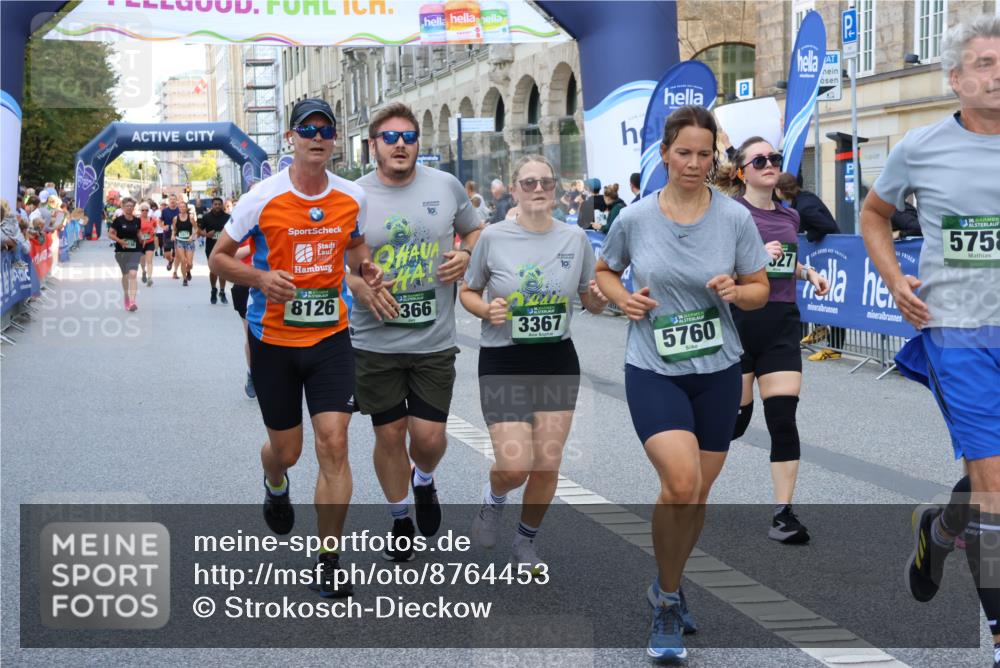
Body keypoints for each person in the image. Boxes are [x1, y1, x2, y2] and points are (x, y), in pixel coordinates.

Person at [595, 105, 770, 661]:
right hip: (654, 367)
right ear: (665, 154)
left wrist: (737, 293)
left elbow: (759, 287)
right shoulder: (637, 218)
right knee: (679, 483)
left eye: (704, 153)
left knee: (697, 495)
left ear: (715, 157)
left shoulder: (736, 218)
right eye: (683, 152)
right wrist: (623, 298)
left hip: (718, 369)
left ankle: (666, 580)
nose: (694, 163)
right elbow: (605, 270)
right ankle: (667, 601)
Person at [859, 15, 1000, 666]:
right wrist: (893, 280)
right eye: (983, 61)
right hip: (957, 332)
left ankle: (940, 529)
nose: (996, 72)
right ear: (955, 79)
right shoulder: (919, 147)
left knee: (986, 481)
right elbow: (873, 214)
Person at [208, 97, 384, 598]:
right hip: (274, 343)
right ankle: (274, 481)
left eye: (325, 128)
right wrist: (261, 277)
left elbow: (354, 247)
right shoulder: (261, 198)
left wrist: (365, 268)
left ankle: (329, 559)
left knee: (335, 442)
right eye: (307, 127)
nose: (317, 135)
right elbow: (220, 259)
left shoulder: (352, 196)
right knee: (287, 451)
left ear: (333, 138)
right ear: (291, 138)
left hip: (331, 338)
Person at [462, 154, 607, 572]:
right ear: (514, 188)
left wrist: (596, 300)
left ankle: (525, 544)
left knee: (546, 463)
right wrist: (484, 311)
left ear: (557, 187)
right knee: (514, 465)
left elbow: (589, 298)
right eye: (529, 183)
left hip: (556, 360)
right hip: (504, 360)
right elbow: (468, 292)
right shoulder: (492, 237)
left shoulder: (574, 238)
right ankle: (494, 498)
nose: (538, 189)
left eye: (546, 181)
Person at [352, 102, 482, 561]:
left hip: (433, 341)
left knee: (427, 439)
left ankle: (423, 478)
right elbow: (334, 264)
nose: (401, 144)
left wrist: (466, 255)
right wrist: (356, 284)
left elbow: (476, 231)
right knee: (389, 436)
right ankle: (399, 516)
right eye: (390, 138)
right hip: (374, 341)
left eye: (408, 136)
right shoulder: (354, 197)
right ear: (374, 147)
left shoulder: (445, 186)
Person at [715, 136, 830, 544]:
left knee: (783, 419)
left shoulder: (790, 216)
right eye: (759, 159)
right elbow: (715, 266)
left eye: (774, 158)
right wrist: (756, 255)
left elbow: (786, 261)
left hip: (782, 322)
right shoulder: (729, 213)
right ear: (741, 170)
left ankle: (784, 515)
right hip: (739, 322)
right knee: (736, 421)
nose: (769, 163)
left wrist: (808, 274)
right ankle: (688, 471)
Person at [774, 173, 845, 360]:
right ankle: (821, 328)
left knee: (833, 299)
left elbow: (827, 226)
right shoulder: (802, 200)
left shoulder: (804, 206)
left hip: (832, 254)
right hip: (823, 254)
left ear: (780, 191)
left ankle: (835, 348)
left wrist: (810, 236)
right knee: (819, 297)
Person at [107, 197, 142, 311]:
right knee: (126, 275)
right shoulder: (118, 220)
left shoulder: (137, 220)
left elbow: (138, 233)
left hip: (135, 250)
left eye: (131, 206)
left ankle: (132, 301)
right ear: (123, 207)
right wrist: (120, 241)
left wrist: (143, 239)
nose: (129, 208)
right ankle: (126, 295)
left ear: (133, 208)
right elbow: (110, 234)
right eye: (127, 206)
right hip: (121, 252)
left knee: (133, 274)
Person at [199, 196, 231, 304]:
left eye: (219, 204)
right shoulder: (206, 217)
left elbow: (234, 231)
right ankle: (213, 289)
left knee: (222, 270)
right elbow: (199, 231)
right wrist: (206, 234)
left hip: (224, 247)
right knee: (213, 270)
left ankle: (222, 291)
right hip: (211, 247)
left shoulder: (228, 217)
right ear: (212, 205)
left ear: (222, 205)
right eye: (215, 204)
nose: (217, 206)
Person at [172, 205, 197, 287]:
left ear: (186, 208)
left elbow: (196, 228)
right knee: (183, 260)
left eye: (183, 207)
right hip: (180, 241)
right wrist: (173, 235)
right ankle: (185, 279)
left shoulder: (190, 217)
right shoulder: (176, 218)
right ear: (179, 208)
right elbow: (174, 229)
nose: (182, 208)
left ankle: (188, 270)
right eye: (180, 207)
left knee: (189, 263)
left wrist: (192, 236)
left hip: (189, 242)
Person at [160, 193, 180, 277]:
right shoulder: (165, 211)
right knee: (167, 254)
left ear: (176, 200)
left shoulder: (180, 210)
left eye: (174, 199)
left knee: (177, 254)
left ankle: (175, 272)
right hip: (167, 234)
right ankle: (170, 260)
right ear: (169, 201)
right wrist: (163, 226)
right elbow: (160, 221)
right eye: (171, 199)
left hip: (178, 234)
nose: (172, 201)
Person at [138, 202, 156, 286]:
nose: (145, 211)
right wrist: (141, 236)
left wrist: (153, 232)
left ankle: (149, 278)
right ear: (140, 211)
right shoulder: (137, 220)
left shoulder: (152, 219)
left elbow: (155, 227)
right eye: (143, 210)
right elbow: (135, 230)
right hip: (140, 243)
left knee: (149, 260)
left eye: (146, 210)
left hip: (150, 242)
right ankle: (144, 271)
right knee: (142, 261)